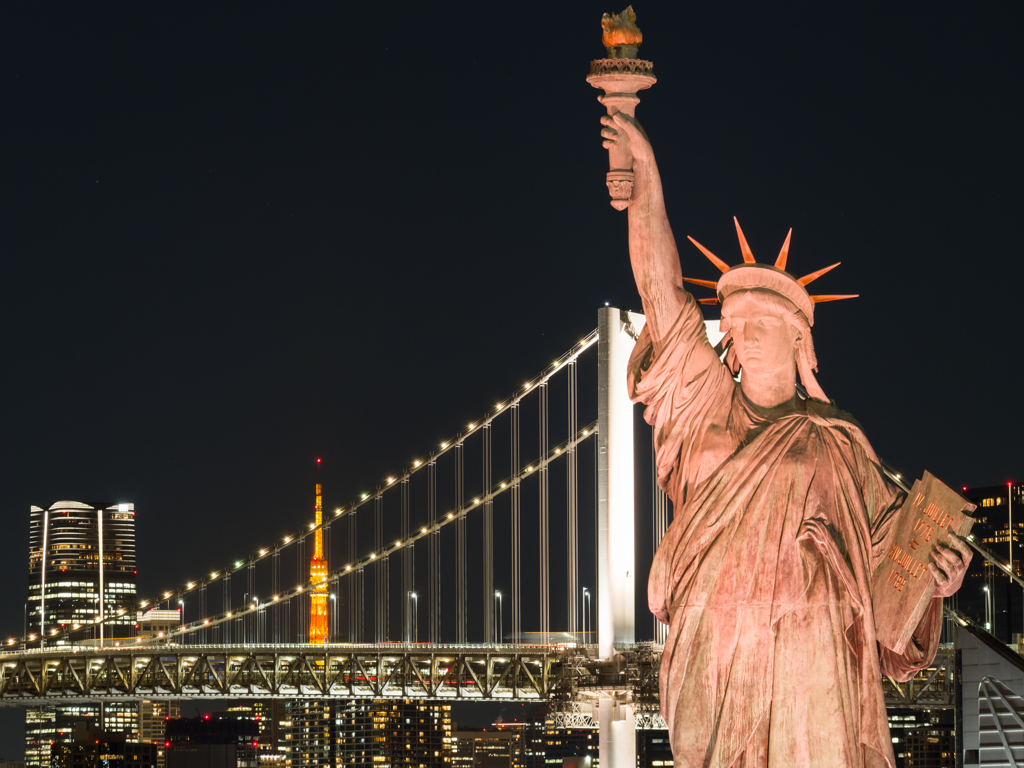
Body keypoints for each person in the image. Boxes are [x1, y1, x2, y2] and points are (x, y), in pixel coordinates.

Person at [599, 111, 971, 768]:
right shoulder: (705, 405)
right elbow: (661, 294)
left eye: (761, 324)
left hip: (812, 659)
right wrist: (648, 180)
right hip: (718, 650)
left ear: (802, 339)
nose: (742, 333)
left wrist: (938, 580)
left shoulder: (837, 442)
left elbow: (893, 557)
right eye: (734, 323)